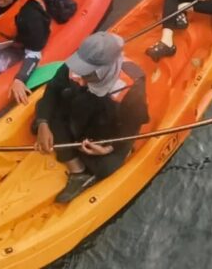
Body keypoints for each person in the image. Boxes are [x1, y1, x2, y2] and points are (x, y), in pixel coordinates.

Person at [34, 32, 149, 203]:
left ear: (103, 70)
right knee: (42, 118)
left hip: (106, 129)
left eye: (87, 74)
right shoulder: (73, 68)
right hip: (79, 112)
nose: (80, 78)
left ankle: (88, 160)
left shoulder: (133, 87)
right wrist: (43, 123)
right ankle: (77, 171)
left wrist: (108, 148)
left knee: (105, 167)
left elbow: (131, 127)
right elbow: (52, 91)